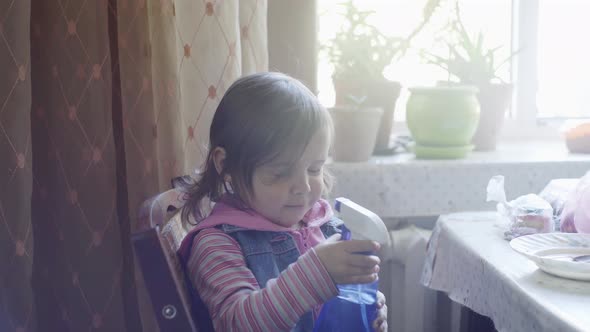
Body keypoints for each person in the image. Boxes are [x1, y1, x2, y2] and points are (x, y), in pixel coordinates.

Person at [177, 72, 388, 331]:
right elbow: (238, 324)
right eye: (280, 173)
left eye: (314, 169)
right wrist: (314, 274)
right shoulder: (216, 243)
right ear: (226, 165)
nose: (304, 187)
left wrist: (364, 307)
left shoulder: (321, 224)